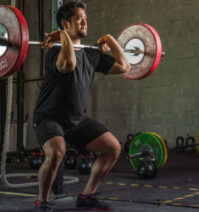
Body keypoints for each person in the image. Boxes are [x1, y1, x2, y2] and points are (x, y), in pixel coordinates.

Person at [33, 1, 130, 211]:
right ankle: (43, 200)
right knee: (57, 152)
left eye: (85, 18)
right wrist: (62, 37)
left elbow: (124, 66)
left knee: (113, 148)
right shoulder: (54, 52)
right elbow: (68, 64)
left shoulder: (91, 54)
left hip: (76, 119)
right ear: (65, 24)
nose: (85, 21)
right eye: (79, 18)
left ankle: (88, 194)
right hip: (49, 117)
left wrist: (110, 40)